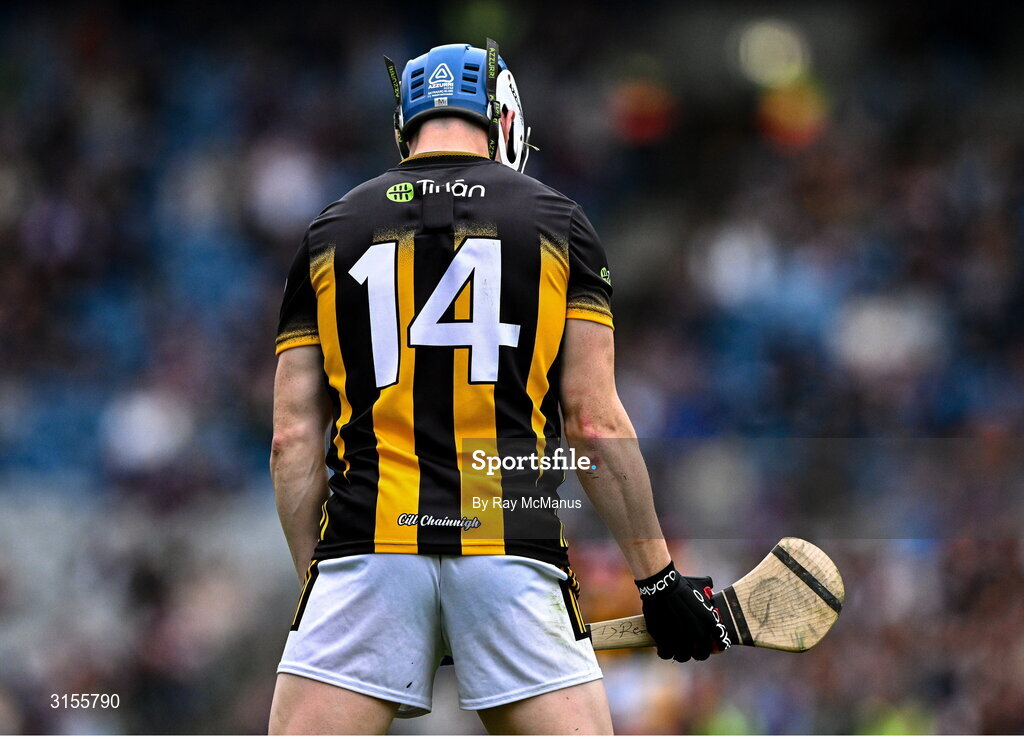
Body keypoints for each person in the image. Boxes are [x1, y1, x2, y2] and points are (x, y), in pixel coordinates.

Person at [267, 40, 727, 735]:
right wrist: (657, 579)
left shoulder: (329, 231)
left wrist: (324, 588)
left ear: (406, 126)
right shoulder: (558, 222)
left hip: (366, 546)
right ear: (502, 117)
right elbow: (594, 422)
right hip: (510, 551)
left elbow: (291, 439)